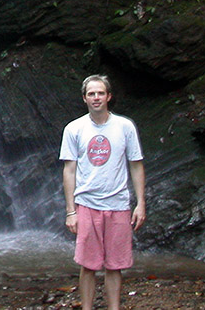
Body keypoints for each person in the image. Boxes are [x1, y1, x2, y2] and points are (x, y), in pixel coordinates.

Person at [60, 74, 145, 310]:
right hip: (86, 204)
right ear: (84, 99)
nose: (96, 98)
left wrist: (140, 203)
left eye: (100, 93)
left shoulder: (125, 127)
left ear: (109, 96)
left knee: (115, 265)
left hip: (118, 204)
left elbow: (136, 164)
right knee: (88, 265)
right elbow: (69, 170)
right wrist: (70, 211)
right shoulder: (74, 129)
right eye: (91, 94)